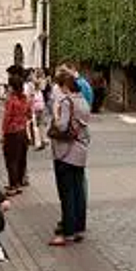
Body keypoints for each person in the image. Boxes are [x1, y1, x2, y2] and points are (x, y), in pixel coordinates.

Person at [49, 67, 91, 246]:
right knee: (78, 192)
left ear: (65, 86)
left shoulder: (67, 102)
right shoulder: (83, 101)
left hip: (66, 152)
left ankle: (68, 232)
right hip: (81, 151)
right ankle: (79, 227)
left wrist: (56, 115)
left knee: (66, 193)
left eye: (60, 86)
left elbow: (62, 126)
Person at [1, 72, 30, 197]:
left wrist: (3, 133)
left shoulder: (11, 100)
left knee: (11, 159)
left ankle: (13, 185)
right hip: (22, 130)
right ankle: (18, 182)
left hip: (12, 132)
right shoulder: (25, 98)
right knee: (21, 158)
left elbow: (7, 118)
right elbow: (29, 114)